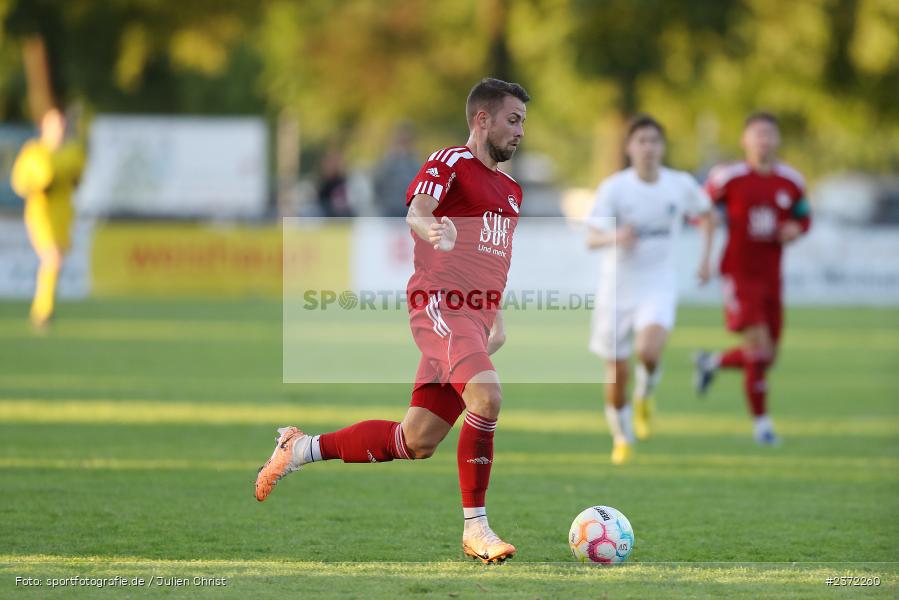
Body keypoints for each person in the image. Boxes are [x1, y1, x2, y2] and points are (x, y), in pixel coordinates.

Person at [255, 78, 529, 564]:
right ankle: (476, 529)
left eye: (523, 122)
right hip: (440, 304)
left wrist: (497, 315)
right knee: (487, 396)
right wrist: (432, 230)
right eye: (513, 120)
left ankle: (299, 449)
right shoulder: (450, 162)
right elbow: (417, 212)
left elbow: (495, 257)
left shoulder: (511, 191)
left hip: (477, 317)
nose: (520, 131)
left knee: (416, 439)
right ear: (481, 119)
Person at [587, 114, 715, 465]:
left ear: (662, 147)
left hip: (657, 284)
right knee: (616, 371)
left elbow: (707, 214)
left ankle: (646, 394)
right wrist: (616, 236)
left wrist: (706, 259)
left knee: (649, 349)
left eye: (654, 141)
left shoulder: (679, 184)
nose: (648, 148)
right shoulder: (615, 188)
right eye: (641, 141)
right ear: (629, 148)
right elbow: (591, 237)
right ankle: (621, 435)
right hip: (616, 289)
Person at [694, 112, 811, 445]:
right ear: (745, 140)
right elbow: (699, 209)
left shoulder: (791, 181)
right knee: (758, 348)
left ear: (778, 140)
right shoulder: (728, 177)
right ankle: (763, 427)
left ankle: (711, 362)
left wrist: (796, 228)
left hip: (772, 277)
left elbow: (805, 217)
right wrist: (705, 250)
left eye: (770, 134)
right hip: (739, 274)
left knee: (767, 356)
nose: (764, 140)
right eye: (757, 134)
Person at [11, 107, 85, 330]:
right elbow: (20, 184)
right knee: (52, 257)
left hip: (63, 213)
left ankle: (43, 308)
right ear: (44, 127)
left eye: (62, 125)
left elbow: (77, 181)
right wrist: (39, 185)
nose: (59, 130)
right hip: (40, 212)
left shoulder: (72, 153)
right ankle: (43, 312)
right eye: (54, 125)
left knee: (55, 261)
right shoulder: (33, 153)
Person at [373, 122, 421, 217]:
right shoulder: (387, 160)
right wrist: (382, 203)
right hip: (390, 210)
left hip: (409, 210)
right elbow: (378, 182)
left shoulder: (415, 161)